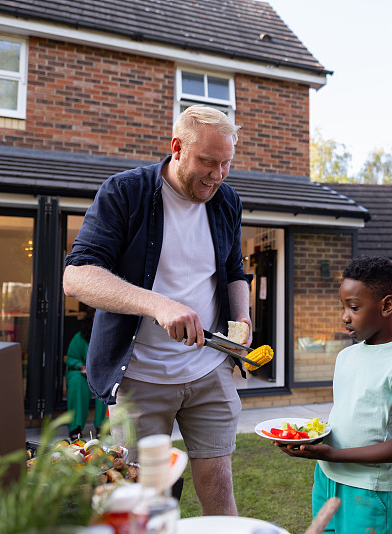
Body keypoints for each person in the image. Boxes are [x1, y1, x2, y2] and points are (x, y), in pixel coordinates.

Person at [62, 105, 251, 516]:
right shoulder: (123, 192)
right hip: (138, 377)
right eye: (207, 162)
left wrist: (243, 319)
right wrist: (158, 305)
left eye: (226, 164)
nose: (217, 175)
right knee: (141, 498)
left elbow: (235, 270)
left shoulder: (226, 200)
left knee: (219, 480)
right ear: (177, 148)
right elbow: (77, 276)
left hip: (209, 368)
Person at [274, 256, 392, 534]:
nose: (344, 316)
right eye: (342, 306)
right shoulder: (345, 356)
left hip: (368, 490)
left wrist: (335, 454)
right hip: (326, 478)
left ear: (387, 305)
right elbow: (348, 415)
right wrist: (309, 441)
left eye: (354, 307)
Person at [65, 309, 108, 441]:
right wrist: (81, 367)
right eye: (95, 318)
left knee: (108, 382)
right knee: (77, 381)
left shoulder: (110, 336)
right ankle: (75, 427)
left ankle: (103, 427)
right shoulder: (80, 337)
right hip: (82, 373)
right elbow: (71, 358)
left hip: (103, 373)